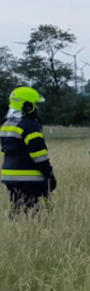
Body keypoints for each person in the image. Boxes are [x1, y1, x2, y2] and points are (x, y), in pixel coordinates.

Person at [2, 86, 55, 215]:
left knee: (17, 209)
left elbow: (5, 151)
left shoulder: (6, 124)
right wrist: (48, 174)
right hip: (30, 177)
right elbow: (39, 154)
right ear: (27, 105)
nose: (36, 108)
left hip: (9, 176)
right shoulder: (29, 125)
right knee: (39, 213)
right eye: (34, 104)